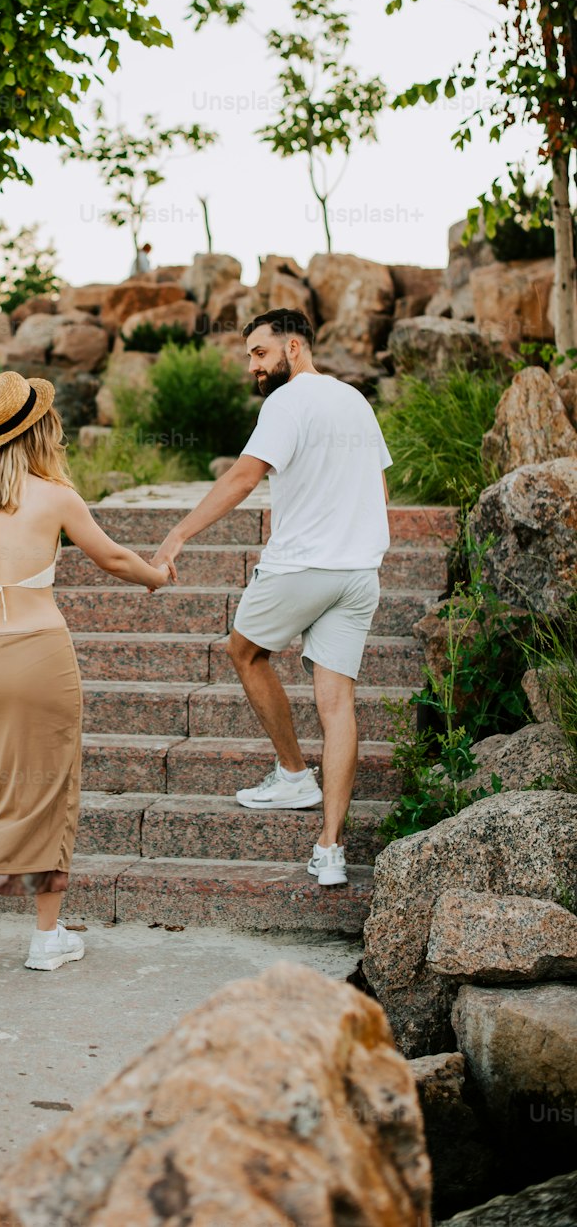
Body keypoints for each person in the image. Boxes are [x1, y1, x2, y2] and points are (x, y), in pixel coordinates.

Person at [0, 369, 171, 985]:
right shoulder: (53, 494)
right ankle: (47, 938)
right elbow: (111, 557)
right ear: (38, 430)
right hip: (41, 657)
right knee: (54, 788)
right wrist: (158, 575)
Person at [150, 308, 392, 889]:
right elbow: (381, 487)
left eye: (260, 353)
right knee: (338, 708)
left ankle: (292, 773)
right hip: (359, 572)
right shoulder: (356, 400)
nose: (253, 366)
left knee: (243, 651)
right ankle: (330, 848)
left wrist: (178, 533)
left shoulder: (285, 403)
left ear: (293, 347)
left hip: (302, 566)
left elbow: (243, 476)